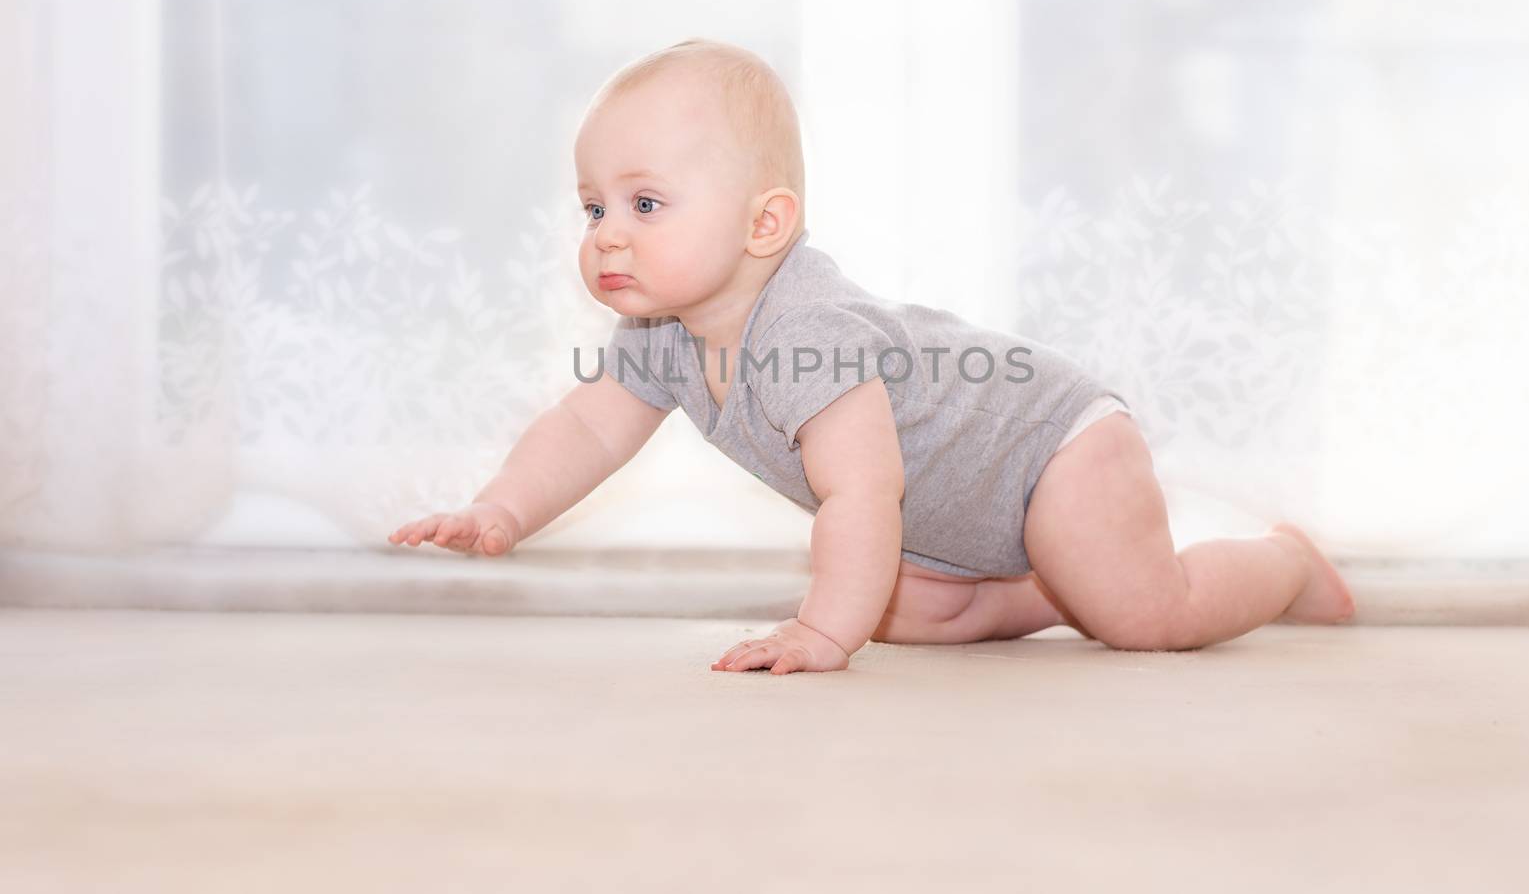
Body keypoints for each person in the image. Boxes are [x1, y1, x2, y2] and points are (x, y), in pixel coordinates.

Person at [387, 38, 1355, 674]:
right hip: (962, 519)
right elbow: (587, 427)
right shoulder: (661, 337)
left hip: (1053, 445)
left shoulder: (804, 329)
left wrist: (820, 633)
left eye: (645, 204)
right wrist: (501, 506)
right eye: (592, 206)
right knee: (906, 608)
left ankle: (1281, 562)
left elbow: (862, 495)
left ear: (765, 222)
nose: (605, 233)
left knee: (1142, 615)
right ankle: (1045, 580)